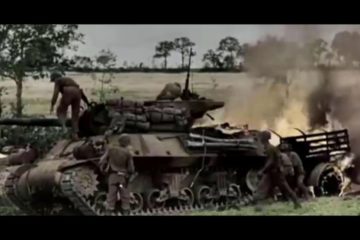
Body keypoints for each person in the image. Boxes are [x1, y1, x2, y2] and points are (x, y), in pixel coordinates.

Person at [252, 130, 301, 209]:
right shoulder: (270, 147)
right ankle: (258, 207)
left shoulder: (270, 148)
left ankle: (297, 202)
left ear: (264, 138)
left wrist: (262, 171)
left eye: (261, 137)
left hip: (275, 173)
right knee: (263, 188)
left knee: (285, 188)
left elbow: (270, 161)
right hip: (273, 173)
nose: (260, 139)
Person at [99, 134, 135, 215]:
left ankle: (109, 212)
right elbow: (131, 169)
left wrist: (103, 170)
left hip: (113, 177)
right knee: (125, 196)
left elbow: (101, 161)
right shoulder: (128, 153)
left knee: (111, 195)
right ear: (127, 142)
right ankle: (125, 212)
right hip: (122, 179)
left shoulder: (111, 149)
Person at [49, 72, 90, 141]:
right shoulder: (69, 80)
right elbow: (80, 91)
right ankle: (75, 135)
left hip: (68, 91)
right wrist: (87, 102)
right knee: (75, 115)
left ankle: (64, 127)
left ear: (54, 78)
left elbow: (55, 93)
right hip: (78, 93)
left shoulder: (58, 80)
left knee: (60, 110)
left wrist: (52, 104)